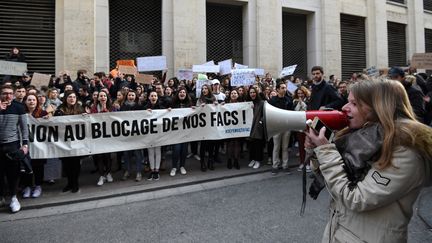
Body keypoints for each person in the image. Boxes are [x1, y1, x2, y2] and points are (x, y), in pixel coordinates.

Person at [305, 80, 432, 243]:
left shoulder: (406, 152)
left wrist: (326, 151)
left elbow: (356, 198)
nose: (344, 107)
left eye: (354, 103)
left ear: (379, 107)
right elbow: (332, 176)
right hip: (341, 233)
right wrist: (317, 151)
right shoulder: (361, 138)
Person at [0, 85, 29, 213]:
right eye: (5, 93)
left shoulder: (19, 107)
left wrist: (25, 145)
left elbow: (24, 128)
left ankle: (13, 197)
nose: (8, 96)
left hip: (13, 145)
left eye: (10, 93)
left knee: (13, 174)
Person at [54, 91, 84, 193]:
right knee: (67, 165)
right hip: (64, 142)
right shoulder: (59, 110)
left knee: (76, 164)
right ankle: (69, 183)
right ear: (66, 98)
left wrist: (86, 116)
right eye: (70, 97)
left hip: (77, 142)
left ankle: (75, 183)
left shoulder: (80, 109)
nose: (72, 99)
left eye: (74, 97)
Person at [22, 94, 49, 198]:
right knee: (26, 166)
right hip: (25, 145)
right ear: (25, 101)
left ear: (37, 102)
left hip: (39, 146)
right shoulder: (21, 113)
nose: (32, 102)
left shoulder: (42, 113)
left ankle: (38, 186)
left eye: (34, 100)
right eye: (29, 100)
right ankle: (28, 187)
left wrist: (48, 118)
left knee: (38, 166)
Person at [269, 81, 293, 175]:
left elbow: (292, 112)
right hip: (277, 127)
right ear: (278, 89)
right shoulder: (273, 100)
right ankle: (275, 166)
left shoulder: (289, 99)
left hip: (286, 126)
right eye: (282, 88)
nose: (284, 89)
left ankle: (285, 165)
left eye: (285, 87)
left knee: (285, 147)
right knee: (276, 147)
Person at [246, 87, 265, 169]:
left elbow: (265, 114)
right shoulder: (248, 103)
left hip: (258, 127)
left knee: (258, 144)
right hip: (250, 126)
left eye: (254, 92)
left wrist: (261, 121)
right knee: (251, 145)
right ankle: (253, 159)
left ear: (256, 93)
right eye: (250, 93)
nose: (252, 94)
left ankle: (258, 160)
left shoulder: (262, 103)